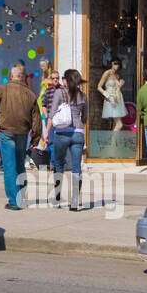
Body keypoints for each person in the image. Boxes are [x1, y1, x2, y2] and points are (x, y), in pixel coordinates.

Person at [0, 65, 43, 209]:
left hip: (7, 131)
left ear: (11, 76)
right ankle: (20, 196)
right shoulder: (30, 94)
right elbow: (37, 119)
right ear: (23, 77)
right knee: (19, 165)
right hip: (22, 132)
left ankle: (14, 201)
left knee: (10, 166)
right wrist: (36, 138)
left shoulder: (2, 89)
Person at [46, 69, 88, 210]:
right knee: (76, 168)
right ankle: (75, 202)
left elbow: (51, 113)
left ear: (67, 80)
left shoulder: (59, 93)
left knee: (58, 165)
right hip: (78, 133)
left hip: (62, 133)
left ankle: (57, 198)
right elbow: (85, 118)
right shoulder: (83, 96)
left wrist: (47, 130)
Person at [98, 60, 126, 149]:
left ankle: (113, 146)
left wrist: (120, 85)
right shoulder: (107, 73)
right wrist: (108, 96)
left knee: (115, 124)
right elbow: (99, 87)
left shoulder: (117, 75)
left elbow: (117, 89)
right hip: (111, 100)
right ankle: (112, 146)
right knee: (119, 124)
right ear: (111, 64)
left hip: (118, 100)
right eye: (115, 63)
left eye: (118, 64)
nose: (117, 65)